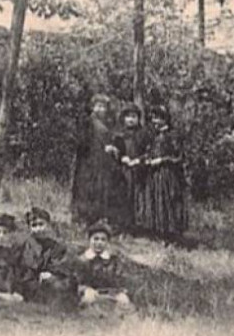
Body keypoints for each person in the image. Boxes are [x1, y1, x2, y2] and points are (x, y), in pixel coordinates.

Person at [134, 107, 188, 241]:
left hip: (168, 174)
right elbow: (151, 152)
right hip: (154, 174)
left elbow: (179, 157)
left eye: (158, 118)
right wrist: (142, 159)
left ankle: (171, 234)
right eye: (153, 118)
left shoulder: (173, 135)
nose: (155, 121)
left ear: (165, 119)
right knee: (156, 202)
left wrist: (162, 160)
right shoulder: (154, 135)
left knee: (168, 201)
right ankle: (158, 233)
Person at [70, 94, 117, 227]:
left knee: (99, 188)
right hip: (89, 161)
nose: (101, 109)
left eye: (103, 107)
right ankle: (83, 218)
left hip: (101, 162)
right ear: (93, 107)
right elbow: (82, 141)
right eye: (98, 106)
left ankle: (96, 218)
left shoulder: (106, 124)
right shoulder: (88, 122)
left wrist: (110, 148)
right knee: (86, 188)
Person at [106, 102, 151, 233]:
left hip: (139, 170)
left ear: (138, 119)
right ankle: (121, 225)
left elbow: (149, 152)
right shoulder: (119, 134)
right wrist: (120, 156)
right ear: (123, 118)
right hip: (123, 170)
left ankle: (138, 226)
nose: (131, 120)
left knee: (138, 196)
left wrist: (139, 160)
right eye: (128, 117)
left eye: (134, 117)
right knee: (122, 195)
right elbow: (115, 151)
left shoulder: (144, 134)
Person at [20, 206, 76, 307]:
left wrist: (51, 274)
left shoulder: (56, 247)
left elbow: (60, 266)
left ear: (48, 225)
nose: (38, 229)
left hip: (50, 280)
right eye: (34, 225)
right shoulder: (24, 246)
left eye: (41, 224)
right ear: (29, 228)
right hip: (30, 283)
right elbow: (23, 269)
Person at [76, 220, 132, 307]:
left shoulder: (114, 261)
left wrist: (119, 292)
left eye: (103, 240)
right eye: (96, 239)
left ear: (107, 242)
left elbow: (120, 280)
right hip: (89, 293)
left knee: (124, 301)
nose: (99, 243)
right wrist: (86, 289)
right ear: (89, 240)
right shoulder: (82, 260)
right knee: (88, 299)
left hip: (111, 293)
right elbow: (76, 282)